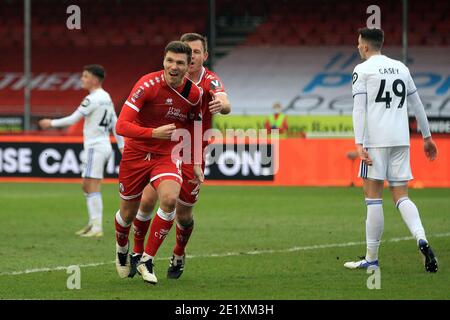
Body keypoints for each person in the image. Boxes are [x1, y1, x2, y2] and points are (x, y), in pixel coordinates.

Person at [128, 33, 231, 280]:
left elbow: (225, 102)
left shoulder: (210, 81)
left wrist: (221, 106)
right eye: (189, 52)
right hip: (164, 149)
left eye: (197, 52)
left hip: (192, 152)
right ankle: (138, 254)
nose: (192, 56)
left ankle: (178, 252)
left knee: (183, 215)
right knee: (146, 202)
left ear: (204, 56)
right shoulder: (170, 77)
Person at [344, 28, 438, 272]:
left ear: (365, 46)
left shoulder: (361, 70)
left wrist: (358, 142)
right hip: (401, 140)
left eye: (358, 43)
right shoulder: (401, 68)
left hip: (375, 141)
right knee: (402, 196)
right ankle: (421, 238)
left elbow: (359, 109)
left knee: (373, 199)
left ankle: (371, 259)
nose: (357, 47)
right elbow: (417, 103)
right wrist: (427, 137)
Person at [114, 41, 204, 284]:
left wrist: (196, 160)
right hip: (136, 153)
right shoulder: (147, 84)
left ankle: (146, 259)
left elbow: (196, 124)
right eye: (169, 61)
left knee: (169, 199)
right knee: (127, 213)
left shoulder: (194, 94)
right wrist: (153, 133)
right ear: (163, 61)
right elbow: (121, 126)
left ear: (188, 67)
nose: (173, 67)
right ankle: (122, 245)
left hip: (166, 154)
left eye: (180, 63)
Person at [39, 64, 124, 237]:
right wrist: (121, 145)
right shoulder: (106, 97)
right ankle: (93, 223)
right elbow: (116, 123)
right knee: (87, 185)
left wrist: (51, 123)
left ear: (94, 79)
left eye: (85, 76)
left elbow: (73, 119)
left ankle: (97, 227)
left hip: (96, 147)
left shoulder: (92, 99)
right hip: (103, 145)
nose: (82, 79)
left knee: (91, 185)